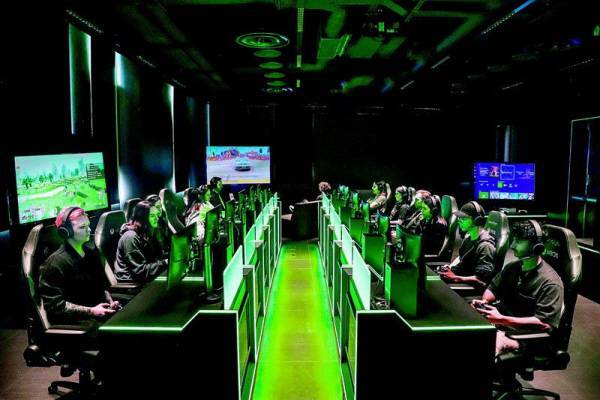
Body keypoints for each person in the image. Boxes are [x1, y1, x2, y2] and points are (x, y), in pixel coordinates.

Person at [471, 220, 564, 356]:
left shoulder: (551, 283)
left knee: (486, 347)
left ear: (536, 247)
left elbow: (544, 324)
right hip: (502, 325)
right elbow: (493, 288)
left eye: (519, 242)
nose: (513, 245)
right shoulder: (512, 267)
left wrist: (501, 319)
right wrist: (484, 302)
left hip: (526, 337)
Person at [39, 207, 120, 325]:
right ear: (66, 231)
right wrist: (92, 311)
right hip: (78, 324)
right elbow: (55, 306)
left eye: (88, 225)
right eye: (82, 227)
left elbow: (101, 288)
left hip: (99, 316)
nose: (89, 230)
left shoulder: (92, 254)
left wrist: (110, 301)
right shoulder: (53, 264)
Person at [438, 201, 496, 286]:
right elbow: (461, 257)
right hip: (459, 277)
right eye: (459, 218)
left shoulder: (485, 246)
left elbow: (481, 280)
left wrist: (455, 278)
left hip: (467, 287)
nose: (459, 221)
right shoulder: (468, 237)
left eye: (463, 218)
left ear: (477, 220)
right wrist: (450, 267)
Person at [114, 201, 168, 283]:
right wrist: (165, 263)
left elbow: (156, 257)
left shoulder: (147, 232)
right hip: (131, 283)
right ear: (142, 219)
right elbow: (139, 271)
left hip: (144, 277)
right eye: (152, 216)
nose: (157, 218)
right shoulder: (130, 237)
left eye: (157, 215)